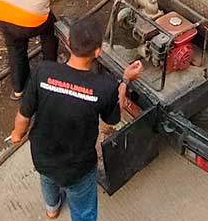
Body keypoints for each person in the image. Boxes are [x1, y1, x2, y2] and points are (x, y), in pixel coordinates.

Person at [10, 17, 144, 221]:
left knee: (47, 180)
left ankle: (52, 210)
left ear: (68, 43)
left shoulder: (43, 71)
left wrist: (17, 135)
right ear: (98, 51)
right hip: (78, 167)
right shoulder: (104, 86)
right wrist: (125, 80)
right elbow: (111, 121)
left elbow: (23, 115)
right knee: (83, 208)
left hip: (43, 156)